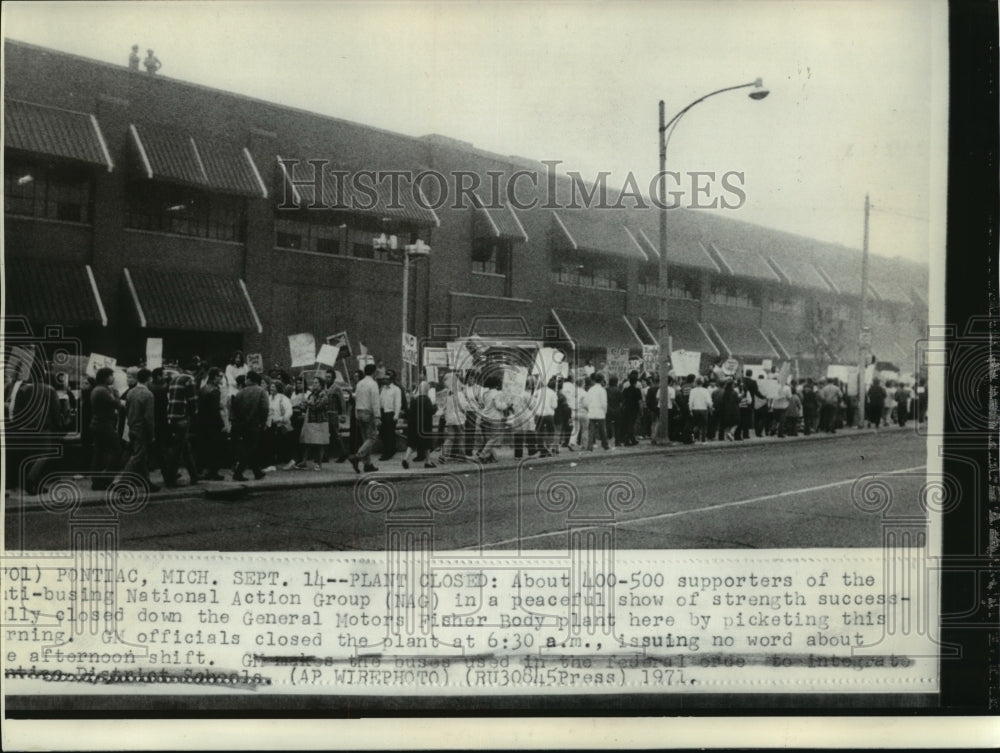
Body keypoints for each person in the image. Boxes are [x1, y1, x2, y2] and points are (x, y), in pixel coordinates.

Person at [122, 368, 159, 491]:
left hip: (132, 427)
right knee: (137, 456)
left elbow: (127, 410)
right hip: (142, 429)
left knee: (141, 457)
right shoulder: (148, 394)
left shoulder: (130, 392)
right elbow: (149, 417)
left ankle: (147, 483)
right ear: (149, 379)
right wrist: (152, 434)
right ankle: (122, 482)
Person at [161, 371, 199, 487]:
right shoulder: (190, 379)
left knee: (184, 445)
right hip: (182, 416)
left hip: (171, 416)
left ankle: (194, 476)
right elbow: (193, 399)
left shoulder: (174, 380)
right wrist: (193, 414)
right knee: (178, 450)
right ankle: (170, 479)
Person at [89, 367, 121, 491]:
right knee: (116, 450)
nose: (113, 378)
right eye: (111, 376)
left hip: (98, 424)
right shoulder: (102, 390)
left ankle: (97, 481)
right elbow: (116, 404)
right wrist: (116, 394)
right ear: (105, 377)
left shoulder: (98, 389)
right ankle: (107, 479)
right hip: (104, 425)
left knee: (99, 453)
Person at [349, 364, 381, 473]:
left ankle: (368, 464)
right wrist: (377, 416)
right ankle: (357, 456)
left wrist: (356, 414)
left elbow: (356, 399)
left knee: (365, 439)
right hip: (368, 412)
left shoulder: (359, 384)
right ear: (374, 372)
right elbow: (375, 401)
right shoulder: (373, 384)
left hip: (359, 411)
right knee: (372, 438)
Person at [196, 367, 226, 480]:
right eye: (220, 376)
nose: (221, 378)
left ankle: (200, 470)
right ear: (214, 377)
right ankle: (213, 472)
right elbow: (214, 411)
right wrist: (222, 424)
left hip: (202, 422)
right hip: (212, 424)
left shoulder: (203, 388)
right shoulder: (215, 390)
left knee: (203, 448)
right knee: (215, 448)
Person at [296, 376, 329, 471]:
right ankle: (304, 461)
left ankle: (319, 463)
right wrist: (303, 404)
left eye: (316, 383)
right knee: (307, 441)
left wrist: (309, 403)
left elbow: (317, 406)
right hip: (310, 420)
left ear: (321, 385)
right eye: (313, 382)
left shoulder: (323, 394)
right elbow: (307, 406)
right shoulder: (311, 394)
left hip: (320, 421)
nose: (314, 384)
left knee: (320, 442)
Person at [402, 381, 437, 469]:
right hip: (425, 425)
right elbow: (430, 411)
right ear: (426, 389)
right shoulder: (426, 399)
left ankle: (406, 459)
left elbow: (409, 412)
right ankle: (428, 462)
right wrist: (435, 407)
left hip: (414, 425)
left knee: (411, 443)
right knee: (427, 444)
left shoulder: (414, 400)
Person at [439, 372, 467, 463]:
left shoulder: (448, 395)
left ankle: (443, 455)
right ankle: (462, 455)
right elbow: (464, 406)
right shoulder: (460, 394)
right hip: (459, 419)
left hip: (450, 419)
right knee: (461, 437)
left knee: (450, 438)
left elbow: (444, 407)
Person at [266, 380, 293, 469]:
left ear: (278, 388)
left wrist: (282, 419)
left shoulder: (283, 398)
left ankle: (288, 461)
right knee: (272, 444)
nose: (271, 388)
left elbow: (289, 410)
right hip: (271, 424)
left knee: (281, 444)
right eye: (271, 387)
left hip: (280, 425)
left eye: (273, 387)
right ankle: (272, 464)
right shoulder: (269, 398)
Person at [324, 371, 348, 463]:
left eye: (329, 377)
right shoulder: (325, 388)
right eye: (326, 377)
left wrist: (343, 415)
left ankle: (343, 453)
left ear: (333, 378)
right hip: (326, 413)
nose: (327, 379)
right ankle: (325, 455)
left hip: (333, 413)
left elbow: (342, 402)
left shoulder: (336, 388)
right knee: (326, 434)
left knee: (336, 434)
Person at [378, 371, 402, 461]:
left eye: (386, 379)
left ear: (391, 379)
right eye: (384, 378)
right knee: (383, 433)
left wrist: (396, 415)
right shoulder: (382, 388)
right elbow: (380, 400)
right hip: (382, 413)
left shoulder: (396, 389)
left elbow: (398, 403)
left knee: (389, 434)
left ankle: (388, 453)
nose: (384, 380)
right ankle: (389, 450)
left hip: (390, 413)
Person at [585, 373, 610, 451]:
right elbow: (604, 402)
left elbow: (586, 401)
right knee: (603, 430)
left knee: (591, 430)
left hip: (592, 411)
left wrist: (589, 408)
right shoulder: (602, 390)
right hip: (600, 412)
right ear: (601, 380)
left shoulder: (590, 390)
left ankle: (589, 446)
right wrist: (605, 411)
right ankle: (605, 445)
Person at [620, 371, 642, 447]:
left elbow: (622, 400)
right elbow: (639, 402)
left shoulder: (626, 390)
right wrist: (641, 411)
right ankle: (628, 440)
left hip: (627, 409)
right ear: (636, 382)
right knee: (631, 424)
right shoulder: (637, 390)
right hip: (634, 409)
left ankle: (632, 439)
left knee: (627, 424)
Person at [688, 377, 712, 443]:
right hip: (703, 409)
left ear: (695, 382)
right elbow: (708, 401)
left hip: (695, 409)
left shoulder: (692, 391)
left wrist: (690, 410)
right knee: (704, 425)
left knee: (697, 424)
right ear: (702, 382)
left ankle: (693, 435)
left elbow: (690, 401)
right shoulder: (705, 390)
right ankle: (703, 440)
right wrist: (711, 408)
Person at [606, 375, 623, 447]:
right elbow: (621, 401)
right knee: (617, 426)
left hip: (608, 409)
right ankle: (617, 442)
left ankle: (609, 436)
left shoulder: (606, 390)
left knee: (607, 424)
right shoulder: (618, 390)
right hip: (617, 409)